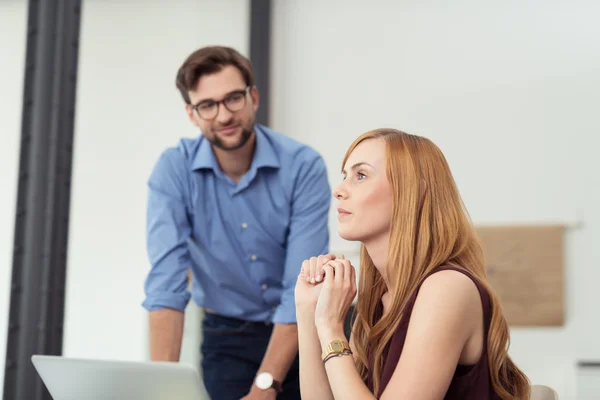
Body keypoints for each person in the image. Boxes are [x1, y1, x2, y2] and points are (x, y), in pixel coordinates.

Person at [142, 46, 331, 400]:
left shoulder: (303, 167)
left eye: (233, 99)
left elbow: (301, 287)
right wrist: (161, 389)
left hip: (308, 331)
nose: (224, 115)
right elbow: (166, 285)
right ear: (191, 114)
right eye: (207, 105)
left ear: (253, 97)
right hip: (226, 338)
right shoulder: (174, 170)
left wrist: (266, 384)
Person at [295, 128, 531, 399]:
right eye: (344, 176)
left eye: (360, 175)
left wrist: (330, 327)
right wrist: (308, 310)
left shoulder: (447, 289)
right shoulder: (378, 303)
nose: (338, 190)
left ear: (414, 191)